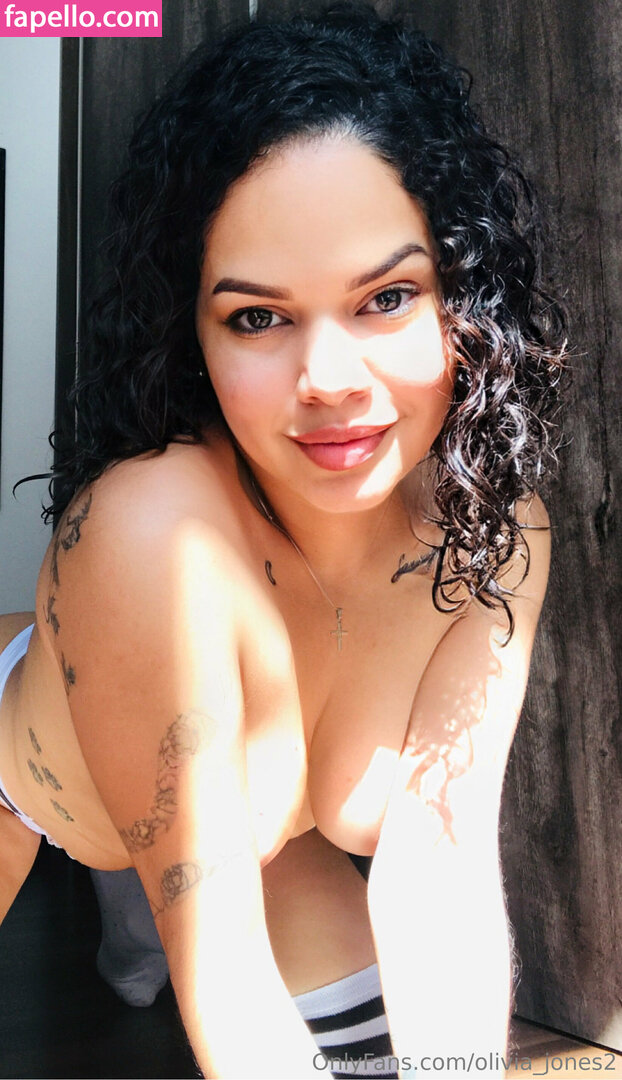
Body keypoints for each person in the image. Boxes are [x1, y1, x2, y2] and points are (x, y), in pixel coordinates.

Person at [0, 4, 565, 1077]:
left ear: (464, 299)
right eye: (258, 316)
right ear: (190, 332)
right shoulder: (153, 533)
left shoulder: (495, 535)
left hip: (266, 847)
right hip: (34, 782)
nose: (330, 381)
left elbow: (439, 870)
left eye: (387, 297)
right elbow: (221, 967)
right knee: (162, 926)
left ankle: (129, 940)